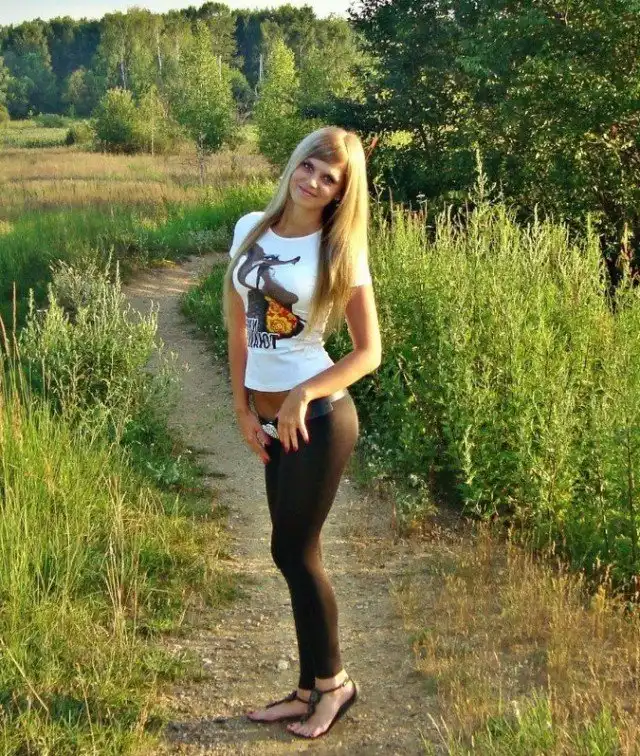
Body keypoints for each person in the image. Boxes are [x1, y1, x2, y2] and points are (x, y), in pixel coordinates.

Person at [222, 125, 381, 740]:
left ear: (341, 191)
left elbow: (368, 352)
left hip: (318, 419)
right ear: (295, 163)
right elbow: (238, 323)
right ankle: (308, 686)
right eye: (309, 166)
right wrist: (242, 407)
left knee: (296, 550)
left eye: (329, 178)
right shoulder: (250, 228)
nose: (312, 181)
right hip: (269, 419)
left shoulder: (339, 250)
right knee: (288, 552)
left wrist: (302, 393)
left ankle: (335, 685)